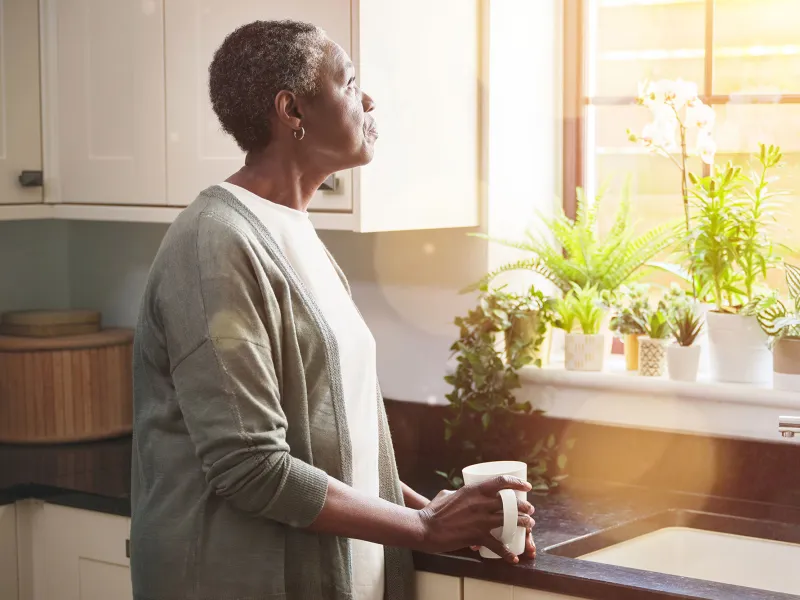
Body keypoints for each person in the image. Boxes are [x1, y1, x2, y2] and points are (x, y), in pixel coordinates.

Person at [130, 19, 535, 600]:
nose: (367, 99)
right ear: (292, 110)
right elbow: (250, 466)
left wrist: (442, 514)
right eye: (348, 82)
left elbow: (334, 439)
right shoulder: (214, 245)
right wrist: (424, 528)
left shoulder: (296, 235)